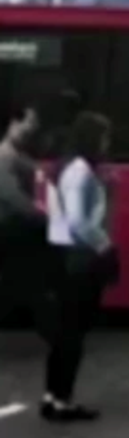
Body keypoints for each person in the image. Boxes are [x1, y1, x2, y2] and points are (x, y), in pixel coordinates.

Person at [42, 111, 119, 423]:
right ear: (91, 138)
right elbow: (78, 222)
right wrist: (105, 246)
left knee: (64, 332)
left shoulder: (63, 167)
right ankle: (63, 401)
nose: (106, 144)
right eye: (104, 138)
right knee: (74, 332)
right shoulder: (80, 171)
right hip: (79, 258)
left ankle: (52, 397)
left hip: (60, 252)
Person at [0, 104, 50, 321]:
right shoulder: (4, 155)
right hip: (8, 227)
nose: (34, 128)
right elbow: (11, 196)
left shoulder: (18, 153)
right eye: (30, 122)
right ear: (14, 123)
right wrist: (41, 216)